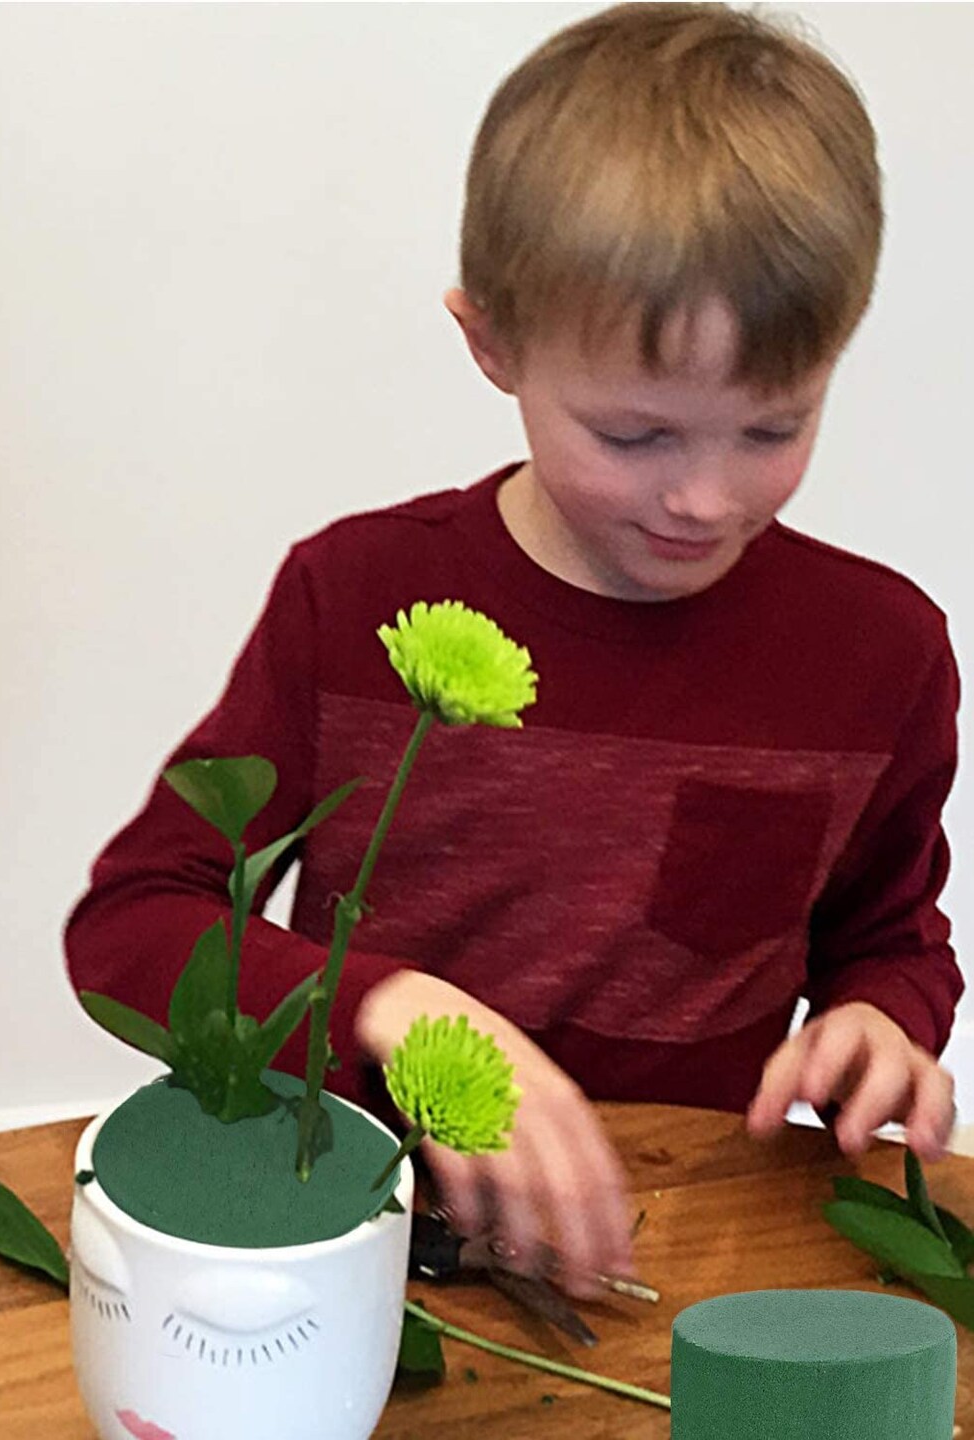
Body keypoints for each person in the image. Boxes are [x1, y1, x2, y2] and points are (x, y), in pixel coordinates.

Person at [64, 2, 963, 1299]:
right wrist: (385, 1004)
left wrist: (886, 1023)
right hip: (364, 1249)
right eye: (637, 435)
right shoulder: (355, 597)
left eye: (772, 430)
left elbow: (888, 935)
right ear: (492, 341)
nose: (702, 498)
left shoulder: (883, 653)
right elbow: (135, 926)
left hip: (687, 1261)